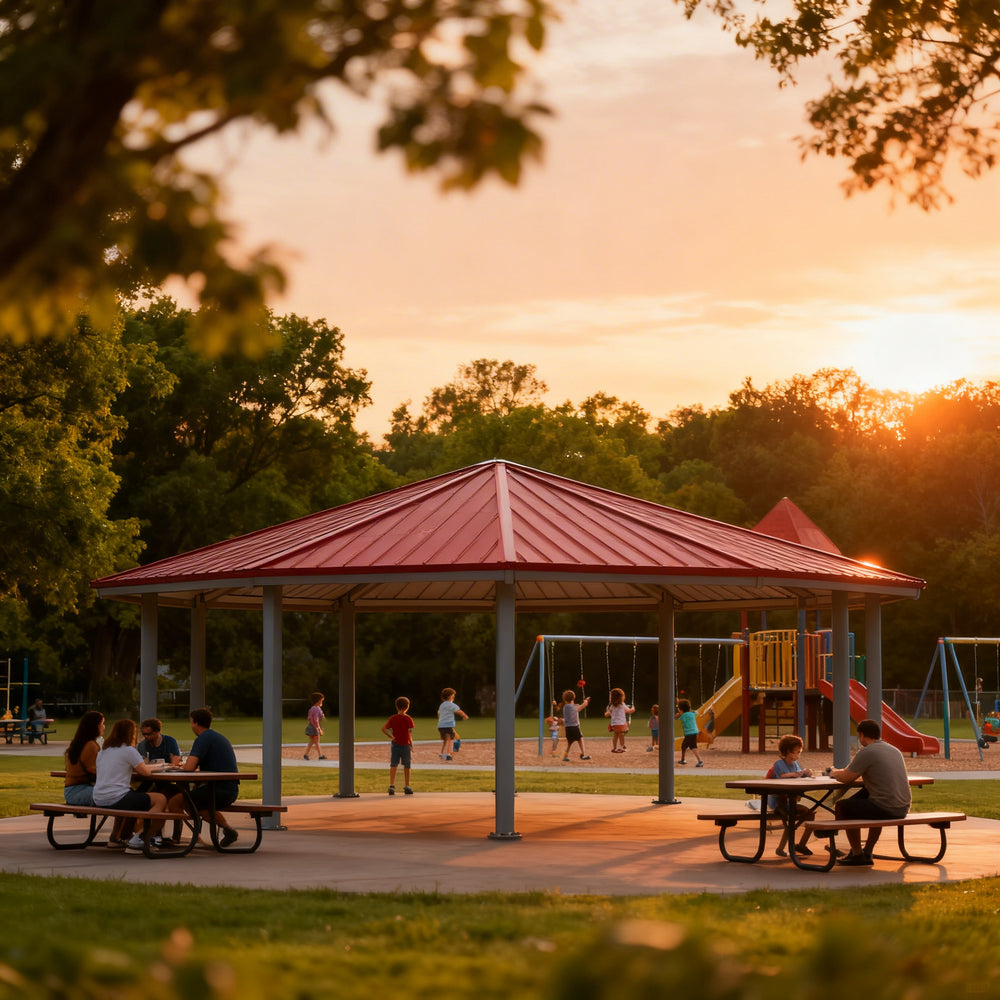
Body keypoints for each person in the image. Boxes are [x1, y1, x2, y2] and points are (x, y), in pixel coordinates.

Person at [830, 718, 911, 866]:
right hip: (903, 807)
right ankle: (867, 851)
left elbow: (847, 777)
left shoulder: (867, 751)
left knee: (843, 807)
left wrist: (833, 773)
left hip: (886, 807)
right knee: (868, 795)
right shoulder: (894, 750)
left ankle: (857, 853)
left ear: (861, 735)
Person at [166, 708, 241, 847]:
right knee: (193, 806)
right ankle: (228, 831)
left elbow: (189, 767)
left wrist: (176, 765)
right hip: (229, 789)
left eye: (191, 722)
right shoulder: (216, 737)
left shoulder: (203, 738)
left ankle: (184, 838)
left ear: (195, 722)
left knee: (175, 802)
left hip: (219, 790)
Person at [93, 719, 169, 852]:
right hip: (116, 797)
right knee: (160, 799)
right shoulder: (128, 750)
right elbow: (145, 772)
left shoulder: (103, 751)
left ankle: (114, 839)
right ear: (130, 734)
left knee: (132, 795)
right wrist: (163, 766)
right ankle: (141, 837)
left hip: (99, 797)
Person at [767, 734, 816, 857]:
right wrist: (795, 774)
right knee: (793, 817)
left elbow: (798, 774)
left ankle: (800, 844)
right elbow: (782, 777)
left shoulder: (795, 764)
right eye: (796, 752)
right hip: (779, 802)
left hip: (790, 801)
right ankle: (789, 846)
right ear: (788, 751)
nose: (798, 755)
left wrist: (805, 773)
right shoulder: (779, 764)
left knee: (809, 814)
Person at [137, 717, 183, 843]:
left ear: (157, 732)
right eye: (144, 734)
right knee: (140, 795)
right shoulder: (142, 745)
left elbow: (176, 759)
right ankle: (150, 834)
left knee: (175, 795)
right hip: (149, 780)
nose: (146, 737)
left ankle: (174, 836)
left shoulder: (169, 741)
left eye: (149, 734)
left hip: (168, 780)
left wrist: (171, 764)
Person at [63, 710, 105, 807]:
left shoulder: (78, 743)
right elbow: (96, 771)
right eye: (102, 724)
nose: (104, 727)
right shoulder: (90, 745)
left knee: (119, 795)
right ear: (94, 726)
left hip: (72, 792)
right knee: (118, 796)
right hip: (80, 792)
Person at [381, 696, 414, 795]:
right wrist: (411, 744)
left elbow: (384, 729)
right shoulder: (408, 719)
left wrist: (391, 737)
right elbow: (409, 733)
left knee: (393, 764)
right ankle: (407, 785)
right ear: (407, 706)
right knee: (407, 765)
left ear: (397, 706)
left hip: (395, 744)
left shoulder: (393, 718)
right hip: (405, 745)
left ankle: (391, 785)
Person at [560, 689, 592, 761]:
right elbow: (581, 706)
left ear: (564, 699)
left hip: (568, 728)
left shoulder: (566, 707)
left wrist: (584, 702)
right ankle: (583, 754)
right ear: (573, 698)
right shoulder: (572, 707)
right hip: (574, 727)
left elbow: (576, 706)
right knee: (580, 739)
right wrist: (586, 701)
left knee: (569, 743)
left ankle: (565, 757)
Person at [437, 687, 468, 761]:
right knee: (450, 740)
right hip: (448, 725)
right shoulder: (451, 705)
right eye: (453, 695)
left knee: (446, 740)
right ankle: (448, 754)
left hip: (441, 725)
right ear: (450, 696)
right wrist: (464, 716)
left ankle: (443, 753)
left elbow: (439, 713)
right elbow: (458, 711)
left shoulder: (442, 705)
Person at [604, 687, 635, 753]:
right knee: (621, 735)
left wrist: (608, 713)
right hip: (621, 723)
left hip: (614, 724)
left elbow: (606, 714)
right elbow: (629, 711)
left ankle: (614, 747)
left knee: (615, 735)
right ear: (621, 697)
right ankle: (621, 747)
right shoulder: (622, 705)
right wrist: (633, 709)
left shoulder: (612, 706)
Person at [675, 699, 704, 766]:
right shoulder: (692, 714)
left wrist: (677, 714)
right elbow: (696, 712)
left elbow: (676, 717)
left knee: (689, 747)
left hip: (689, 734)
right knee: (688, 746)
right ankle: (683, 759)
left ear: (680, 709)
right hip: (694, 733)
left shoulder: (682, 716)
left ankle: (699, 761)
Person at [304, 692, 326, 761]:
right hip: (314, 727)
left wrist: (322, 715)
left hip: (311, 727)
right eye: (321, 700)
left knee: (313, 741)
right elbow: (315, 719)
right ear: (318, 700)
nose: (322, 702)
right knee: (316, 741)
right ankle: (320, 756)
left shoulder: (314, 708)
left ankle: (306, 754)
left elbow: (310, 717)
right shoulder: (316, 709)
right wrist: (318, 728)